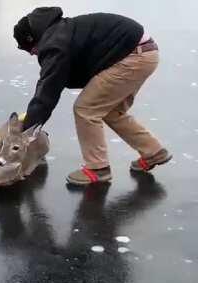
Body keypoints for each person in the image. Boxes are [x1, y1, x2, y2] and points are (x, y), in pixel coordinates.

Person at [13, 7, 172, 185]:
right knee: (111, 111)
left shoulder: (54, 42)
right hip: (145, 53)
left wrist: (28, 129)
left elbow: (47, 90)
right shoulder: (61, 30)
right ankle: (153, 152)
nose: (33, 53)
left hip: (131, 56)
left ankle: (98, 168)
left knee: (86, 109)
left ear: (32, 38)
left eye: (30, 49)